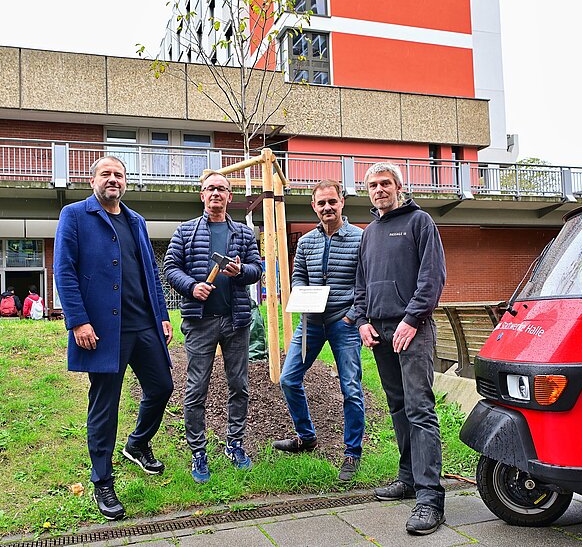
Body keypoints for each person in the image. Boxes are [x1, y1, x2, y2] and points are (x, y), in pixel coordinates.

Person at [54, 156, 174, 521]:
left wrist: (163, 316)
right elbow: (64, 269)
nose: (113, 180)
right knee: (104, 406)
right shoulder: (75, 215)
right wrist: (78, 322)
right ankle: (102, 481)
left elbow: (151, 272)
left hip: (143, 325)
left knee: (162, 387)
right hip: (102, 330)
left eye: (118, 175)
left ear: (126, 182)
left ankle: (137, 444)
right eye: (106, 174)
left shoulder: (135, 220)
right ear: (92, 180)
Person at [354, 162, 447, 536]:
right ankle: (407, 479)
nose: (379, 190)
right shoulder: (369, 233)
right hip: (378, 332)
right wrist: (361, 321)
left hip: (413, 329)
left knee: (420, 409)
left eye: (385, 183)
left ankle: (430, 498)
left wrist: (411, 320)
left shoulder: (420, 222)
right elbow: (360, 283)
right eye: (373, 185)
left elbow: (433, 277)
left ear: (398, 186)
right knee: (397, 407)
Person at [164, 171, 262, 484]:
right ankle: (198, 451)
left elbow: (256, 270)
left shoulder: (244, 234)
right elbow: (170, 268)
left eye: (221, 188)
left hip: (236, 321)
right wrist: (192, 287)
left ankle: (235, 444)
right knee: (196, 388)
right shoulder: (185, 231)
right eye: (210, 189)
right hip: (199, 321)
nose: (216, 193)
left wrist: (239, 271)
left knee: (239, 385)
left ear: (230, 196)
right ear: (202, 195)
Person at [272, 179, 365, 481]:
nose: (327, 207)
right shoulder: (306, 241)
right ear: (314, 206)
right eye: (321, 203)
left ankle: (352, 453)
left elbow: (366, 283)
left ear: (342, 203)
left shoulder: (359, 239)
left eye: (332, 202)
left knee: (350, 388)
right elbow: (298, 275)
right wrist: (300, 294)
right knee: (288, 379)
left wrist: (353, 316)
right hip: (311, 323)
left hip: (344, 323)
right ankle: (306, 436)